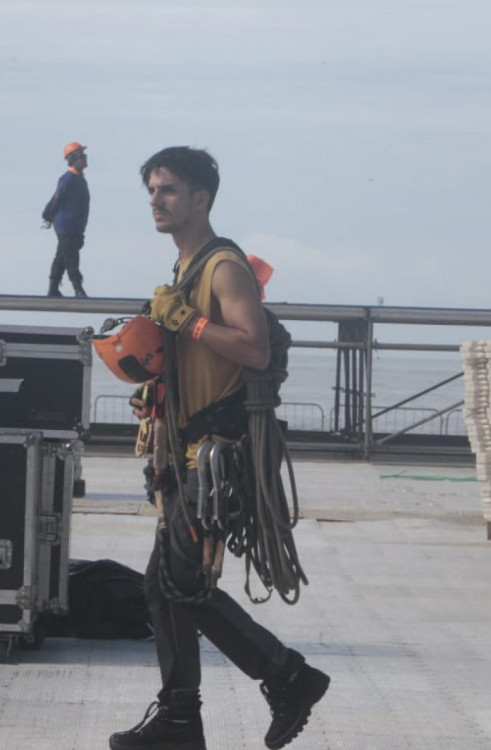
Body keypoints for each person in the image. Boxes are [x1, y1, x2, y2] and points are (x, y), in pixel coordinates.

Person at [109, 147, 328, 750]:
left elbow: (254, 348)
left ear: (201, 198)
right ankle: (181, 717)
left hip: (217, 455)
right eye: (152, 190)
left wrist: (187, 320)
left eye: (168, 190)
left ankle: (288, 676)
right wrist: (155, 389)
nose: (156, 201)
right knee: (163, 585)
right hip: (182, 452)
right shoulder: (185, 269)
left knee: (179, 585)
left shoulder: (223, 267)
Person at [41, 141, 90, 298]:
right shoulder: (68, 179)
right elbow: (57, 198)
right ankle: (78, 289)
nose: (85, 158)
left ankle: (53, 289)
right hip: (66, 226)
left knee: (62, 257)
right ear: (73, 159)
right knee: (71, 257)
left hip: (76, 226)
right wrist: (48, 215)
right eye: (82, 156)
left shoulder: (79, 179)